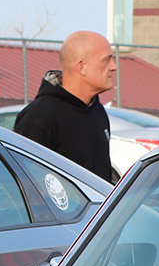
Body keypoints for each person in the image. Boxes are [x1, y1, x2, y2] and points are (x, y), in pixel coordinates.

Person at [13, 30, 118, 180]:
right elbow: (25, 180)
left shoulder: (96, 110)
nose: (114, 67)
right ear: (82, 67)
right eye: (106, 60)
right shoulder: (40, 116)